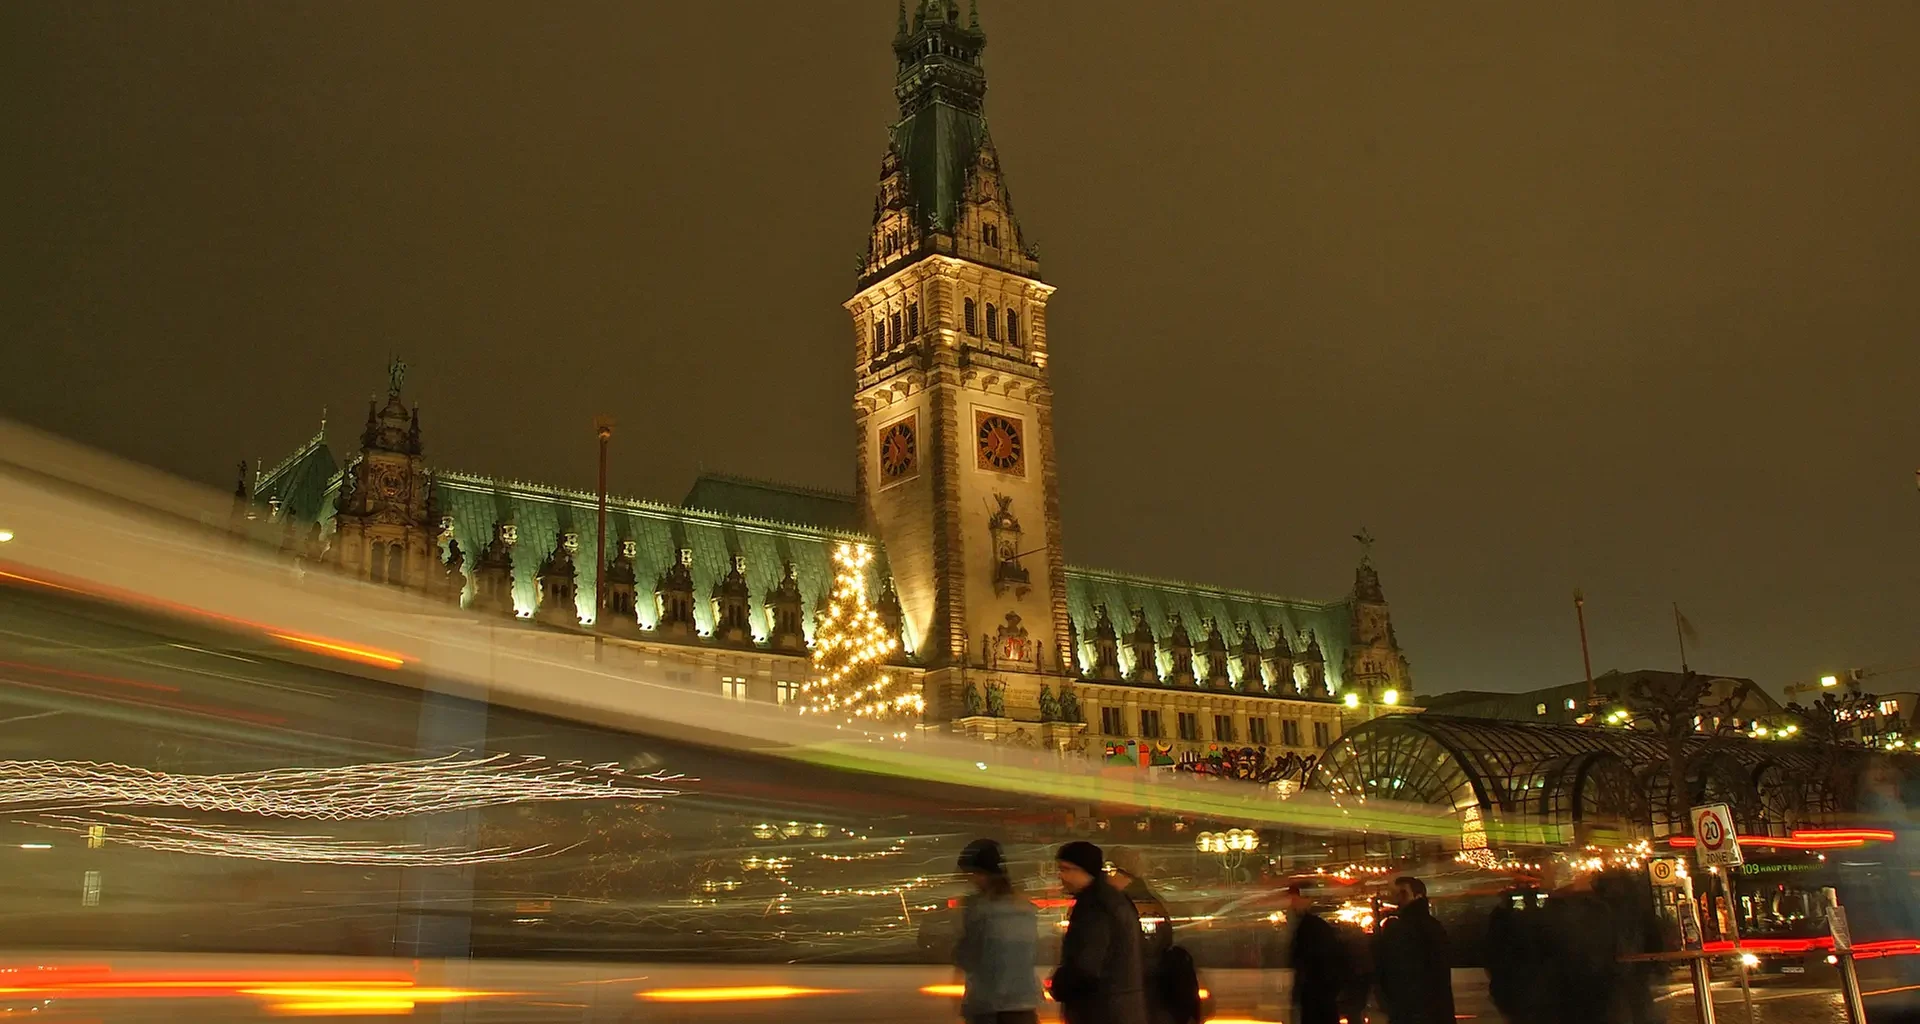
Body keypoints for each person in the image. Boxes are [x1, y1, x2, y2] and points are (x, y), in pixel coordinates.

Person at [1049, 840, 1149, 1024]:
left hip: (1100, 1010)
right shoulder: (1116, 899)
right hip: (1123, 1007)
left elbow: (1087, 963)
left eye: (1066, 869)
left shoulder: (1094, 906)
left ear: (1084, 870)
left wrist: (1060, 985)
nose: (1061, 876)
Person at [953, 839, 1042, 1024]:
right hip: (1024, 1004)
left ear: (981, 873)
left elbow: (968, 956)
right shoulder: (1025, 907)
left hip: (988, 1005)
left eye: (971, 874)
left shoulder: (979, 908)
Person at [1109, 847, 1197, 1024]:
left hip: (1145, 995)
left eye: (1108, 870)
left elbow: (1149, 949)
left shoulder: (1136, 904)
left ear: (1118, 872)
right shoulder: (1142, 901)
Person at [1370, 876, 1456, 1024]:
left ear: (1418, 895)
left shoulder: (1402, 928)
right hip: (1432, 1009)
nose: (1398, 899)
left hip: (1410, 1009)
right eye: (1397, 894)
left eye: (1403, 893)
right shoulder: (1431, 925)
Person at [1283, 884, 1348, 1024]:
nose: (1291, 904)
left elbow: (1311, 961)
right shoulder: (1314, 925)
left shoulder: (1308, 926)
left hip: (1316, 994)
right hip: (1320, 994)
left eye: (1294, 900)